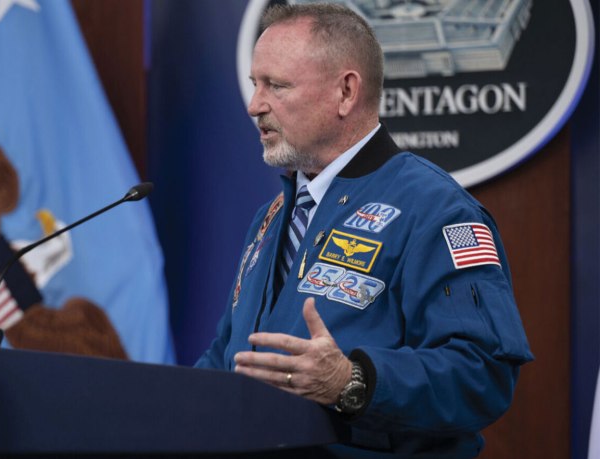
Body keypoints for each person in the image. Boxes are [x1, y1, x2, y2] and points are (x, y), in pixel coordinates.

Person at [194, 4, 533, 458]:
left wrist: (351, 381)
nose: (255, 105)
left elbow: (483, 372)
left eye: (277, 85)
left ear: (346, 92)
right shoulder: (271, 217)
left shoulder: (437, 210)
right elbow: (225, 356)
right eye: (256, 84)